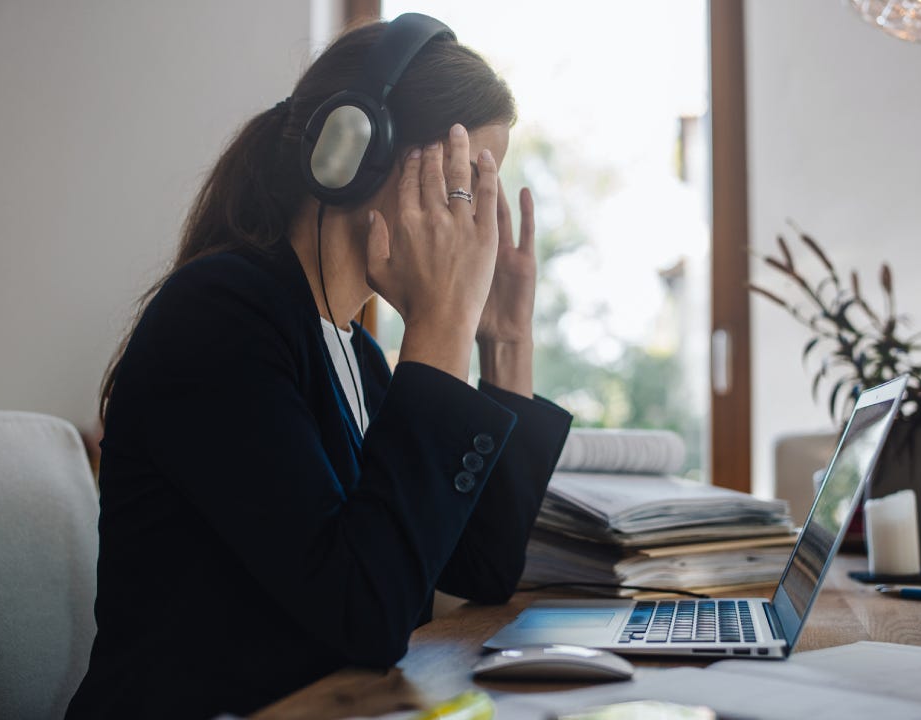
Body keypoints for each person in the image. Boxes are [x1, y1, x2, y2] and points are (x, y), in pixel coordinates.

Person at [64, 14, 572, 719]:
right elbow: (366, 615)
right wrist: (439, 325)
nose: (476, 227)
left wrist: (505, 339)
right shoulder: (221, 316)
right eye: (465, 189)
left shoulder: (354, 350)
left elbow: (480, 569)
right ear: (360, 153)